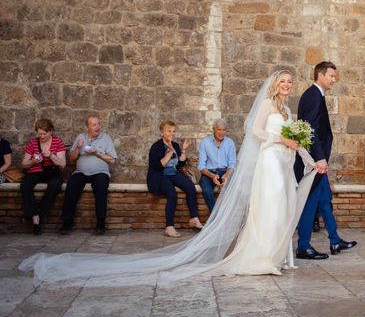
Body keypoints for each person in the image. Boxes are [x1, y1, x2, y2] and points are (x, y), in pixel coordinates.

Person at [20, 70, 318, 285]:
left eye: (290, 82)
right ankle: (261, 258)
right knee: (270, 207)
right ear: (274, 85)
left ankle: (277, 256)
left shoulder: (286, 108)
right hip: (269, 159)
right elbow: (255, 132)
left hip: (281, 160)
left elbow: (286, 135)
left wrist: (302, 152)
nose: (287, 86)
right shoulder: (267, 105)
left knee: (279, 208)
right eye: (283, 82)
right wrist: (281, 142)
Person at [295, 61, 357, 259]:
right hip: (314, 162)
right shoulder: (313, 95)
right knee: (310, 202)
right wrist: (320, 158)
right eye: (331, 76)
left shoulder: (316, 95)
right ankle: (303, 246)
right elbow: (311, 129)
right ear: (320, 75)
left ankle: (335, 240)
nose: (333, 80)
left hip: (318, 161)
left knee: (324, 200)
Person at [60, 115, 117, 235]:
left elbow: (112, 160)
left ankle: (100, 222)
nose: (98, 127)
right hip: (81, 172)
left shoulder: (106, 138)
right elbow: (71, 160)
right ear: (87, 127)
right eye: (94, 125)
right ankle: (67, 222)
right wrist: (78, 148)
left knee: (101, 187)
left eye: (98, 124)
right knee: (72, 185)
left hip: (100, 172)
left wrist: (98, 154)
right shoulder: (81, 137)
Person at [147, 120, 204, 237]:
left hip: (173, 173)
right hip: (161, 175)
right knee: (172, 194)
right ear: (162, 132)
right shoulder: (156, 147)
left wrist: (183, 150)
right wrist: (170, 152)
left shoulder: (176, 145)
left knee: (190, 187)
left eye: (173, 131)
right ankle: (169, 227)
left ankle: (193, 218)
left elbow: (179, 165)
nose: (172, 134)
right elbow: (158, 166)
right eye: (169, 131)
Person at [20, 118, 66, 235]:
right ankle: (35, 218)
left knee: (55, 185)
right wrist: (33, 162)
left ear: (51, 131)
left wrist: (51, 155)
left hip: (52, 171)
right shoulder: (33, 143)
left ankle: (39, 211)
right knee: (25, 184)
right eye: (39, 134)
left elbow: (62, 164)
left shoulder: (58, 142)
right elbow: (24, 164)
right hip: (35, 171)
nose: (42, 136)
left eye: (44, 134)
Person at [197, 118, 236, 212]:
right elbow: (201, 166)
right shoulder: (205, 142)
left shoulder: (230, 143)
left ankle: (225, 218)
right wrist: (213, 176)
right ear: (213, 129)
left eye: (224, 130)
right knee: (206, 191)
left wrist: (226, 175)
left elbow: (232, 163)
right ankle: (217, 218)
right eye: (219, 129)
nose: (222, 132)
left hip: (225, 172)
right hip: (209, 173)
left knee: (233, 190)